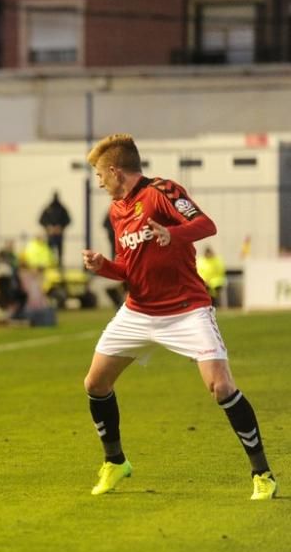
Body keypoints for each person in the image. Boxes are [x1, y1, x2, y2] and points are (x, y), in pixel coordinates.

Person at [82, 133, 276, 500]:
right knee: (95, 384)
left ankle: (262, 473)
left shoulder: (162, 191)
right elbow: (129, 267)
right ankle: (115, 462)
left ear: (114, 169)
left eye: (99, 174)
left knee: (221, 387)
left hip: (187, 311)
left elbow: (206, 225)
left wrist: (173, 233)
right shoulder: (117, 210)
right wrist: (103, 266)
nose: (99, 182)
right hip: (138, 312)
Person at [39, 191, 71, 267]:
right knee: (50, 251)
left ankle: (59, 265)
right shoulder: (48, 208)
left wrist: (60, 227)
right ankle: (50, 264)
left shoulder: (62, 209)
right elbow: (41, 220)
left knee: (59, 252)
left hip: (59, 235)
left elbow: (68, 220)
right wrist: (48, 227)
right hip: (50, 235)